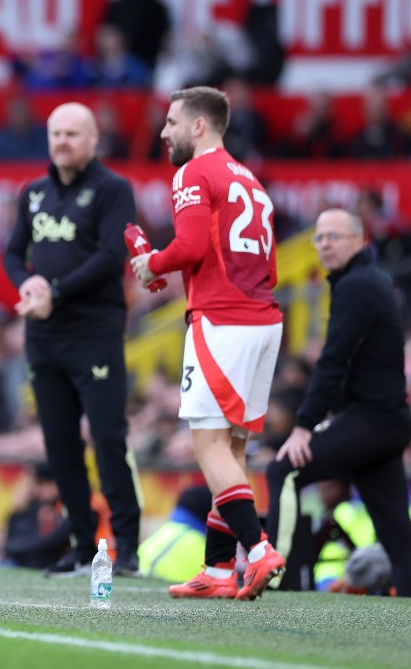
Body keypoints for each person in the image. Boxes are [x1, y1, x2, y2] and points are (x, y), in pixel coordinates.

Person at [131, 86, 285, 601]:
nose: (164, 132)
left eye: (172, 122)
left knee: (207, 444)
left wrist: (151, 263)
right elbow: (271, 265)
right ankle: (219, 569)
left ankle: (259, 551)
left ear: (199, 125)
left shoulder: (193, 172)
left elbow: (192, 246)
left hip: (223, 320)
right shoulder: (252, 180)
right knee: (233, 448)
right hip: (263, 317)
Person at [2, 101, 142, 578]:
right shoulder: (35, 192)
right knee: (60, 447)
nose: (62, 141)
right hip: (44, 335)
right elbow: (12, 254)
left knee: (108, 440)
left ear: (93, 139)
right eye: (56, 133)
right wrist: (28, 284)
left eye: (72, 134)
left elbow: (109, 256)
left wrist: (54, 292)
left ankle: (128, 549)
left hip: (94, 332)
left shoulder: (113, 189)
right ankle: (84, 547)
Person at [265, 209, 411, 597]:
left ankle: (283, 582)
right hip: (385, 422)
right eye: (319, 237)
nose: (325, 243)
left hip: (372, 419)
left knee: (284, 471)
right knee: (398, 537)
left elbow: (333, 361)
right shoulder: (361, 281)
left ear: (359, 241)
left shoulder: (357, 284)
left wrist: (303, 426)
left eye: (334, 236)